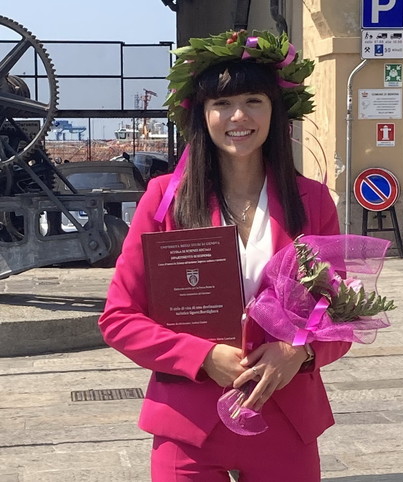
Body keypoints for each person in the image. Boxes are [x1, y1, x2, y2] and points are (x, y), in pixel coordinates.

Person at [99, 30, 352, 482]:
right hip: (189, 423)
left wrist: (300, 351)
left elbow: (340, 315)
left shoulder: (311, 201)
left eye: (254, 100)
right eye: (221, 104)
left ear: (277, 110)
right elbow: (120, 318)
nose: (239, 116)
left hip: (286, 416)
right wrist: (200, 357)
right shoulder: (164, 202)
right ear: (202, 115)